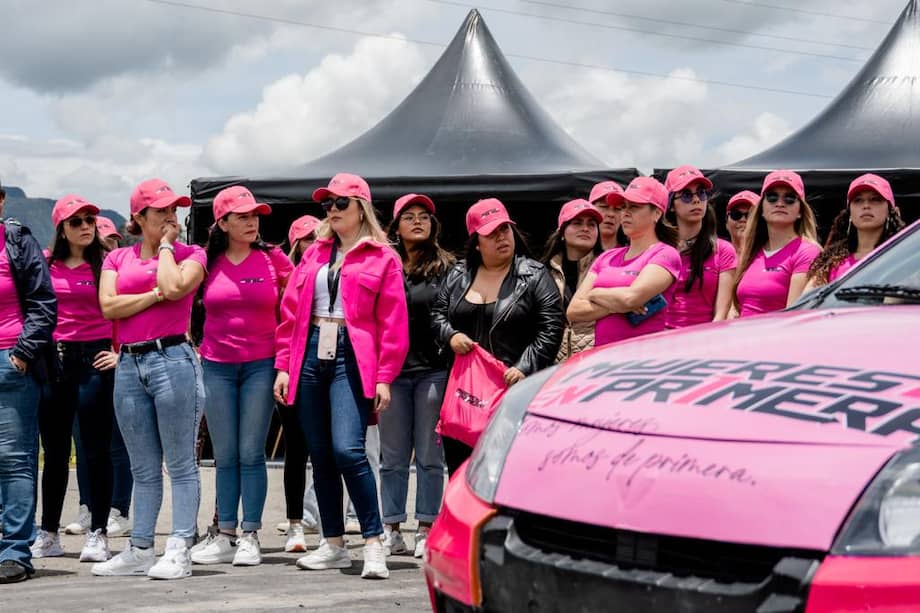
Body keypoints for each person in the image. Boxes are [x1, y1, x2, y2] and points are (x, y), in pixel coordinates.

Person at [273, 173, 408, 579]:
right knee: (320, 453)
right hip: (311, 349)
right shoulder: (314, 253)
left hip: (353, 352)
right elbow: (291, 312)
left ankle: (372, 540)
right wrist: (284, 365)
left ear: (361, 207)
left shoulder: (383, 257)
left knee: (348, 449)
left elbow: (393, 323)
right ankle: (332, 543)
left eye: (339, 203)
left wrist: (384, 376)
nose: (331, 210)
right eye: (326, 204)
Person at [92, 178, 207, 580]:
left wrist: (165, 247)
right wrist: (155, 296)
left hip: (172, 357)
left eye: (173, 210)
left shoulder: (191, 253)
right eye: (160, 211)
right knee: (143, 467)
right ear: (139, 217)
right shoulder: (117, 258)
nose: (170, 217)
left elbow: (177, 285)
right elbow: (108, 306)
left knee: (180, 463)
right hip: (129, 364)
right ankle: (140, 546)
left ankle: (179, 546)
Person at [189, 186, 293, 568]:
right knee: (225, 454)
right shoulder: (205, 261)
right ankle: (226, 533)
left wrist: (284, 363)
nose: (253, 222)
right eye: (243, 216)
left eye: (255, 216)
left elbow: (296, 308)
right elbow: (177, 296)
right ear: (223, 222)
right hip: (215, 365)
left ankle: (251, 534)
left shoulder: (274, 259)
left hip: (261, 366)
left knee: (251, 453)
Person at [432, 198, 563, 476]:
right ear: (476, 242)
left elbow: (551, 327)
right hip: (465, 394)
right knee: (460, 469)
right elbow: (437, 316)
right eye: (491, 233)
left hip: (513, 389)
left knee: (505, 471)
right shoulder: (457, 275)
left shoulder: (535, 275)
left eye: (505, 229)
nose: (501, 237)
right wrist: (451, 335)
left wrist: (524, 366)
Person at [32, 196, 118, 564]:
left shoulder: (107, 264)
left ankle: (98, 532)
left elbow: (124, 309)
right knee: (53, 453)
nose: (86, 226)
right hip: (55, 359)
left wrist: (120, 351)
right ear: (62, 229)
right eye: (77, 221)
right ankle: (48, 532)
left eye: (91, 220)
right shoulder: (45, 265)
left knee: (95, 450)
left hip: (95, 357)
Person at [380, 194, 454, 559]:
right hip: (391, 372)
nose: (418, 221)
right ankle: (391, 527)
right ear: (395, 226)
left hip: (433, 371)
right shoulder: (383, 263)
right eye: (408, 216)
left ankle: (426, 526)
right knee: (392, 456)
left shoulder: (448, 267)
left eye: (424, 216)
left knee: (428, 455)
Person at [0, 182, 56, 584]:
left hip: (10, 361)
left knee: (14, 460)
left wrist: (20, 353)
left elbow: (43, 304)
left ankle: (15, 552)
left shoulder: (18, 241)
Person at [567, 177, 681, 347]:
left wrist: (594, 294)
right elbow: (573, 311)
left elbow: (630, 299)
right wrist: (616, 305)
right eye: (624, 207)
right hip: (602, 360)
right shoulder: (607, 257)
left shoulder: (665, 254)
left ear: (657, 213)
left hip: (642, 361)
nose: (625, 213)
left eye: (634, 207)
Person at [275, 214, 321, 553]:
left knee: (330, 451)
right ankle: (295, 523)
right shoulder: (283, 278)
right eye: (306, 238)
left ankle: (325, 521)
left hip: (326, 369)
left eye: (318, 237)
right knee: (296, 450)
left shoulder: (330, 273)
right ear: (295, 244)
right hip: (290, 370)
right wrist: (283, 368)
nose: (313, 243)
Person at [733, 171, 821, 317]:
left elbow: (793, 317)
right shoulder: (751, 252)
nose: (780, 203)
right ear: (761, 208)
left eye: (790, 198)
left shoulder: (807, 252)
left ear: (800, 211)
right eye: (772, 197)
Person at [663, 166, 737, 328]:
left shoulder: (723, 250)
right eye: (687, 196)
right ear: (671, 205)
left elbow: (721, 313)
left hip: (703, 341)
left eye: (701, 193)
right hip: (661, 340)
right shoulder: (660, 249)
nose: (696, 200)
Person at [805, 174, 905, 290]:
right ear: (849, 213)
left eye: (875, 199)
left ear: (892, 210)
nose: (866, 206)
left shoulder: (902, 258)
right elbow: (806, 302)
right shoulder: (831, 262)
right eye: (858, 200)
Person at [541, 199, 603, 361]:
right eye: (577, 223)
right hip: (552, 367)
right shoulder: (542, 272)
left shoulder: (609, 268)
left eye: (591, 224)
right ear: (562, 232)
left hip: (596, 363)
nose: (585, 228)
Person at [589, 181, 625, 250]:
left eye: (617, 209)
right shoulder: (577, 252)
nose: (611, 214)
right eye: (604, 207)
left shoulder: (634, 254)